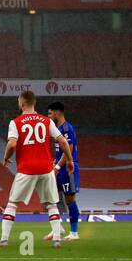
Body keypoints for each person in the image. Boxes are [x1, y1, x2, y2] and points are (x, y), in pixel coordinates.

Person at [0, 90, 73, 249]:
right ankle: (57, 240)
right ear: (34, 103)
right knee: (51, 204)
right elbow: (63, 142)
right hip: (46, 168)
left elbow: (12, 144)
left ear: (22, 104)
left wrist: (5, 157)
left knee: (12, 203)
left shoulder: (15, 122)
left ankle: (3, 240)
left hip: (27, 169)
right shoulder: (46, 121)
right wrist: (69, 160)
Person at [45, 101, 81, 242]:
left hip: (67, 168)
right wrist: (54, 163)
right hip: (59, 166)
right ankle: (57, 227)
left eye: (50, 113)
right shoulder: (57, 129)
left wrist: (58, 167)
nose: (49, 116)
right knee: (51, 197)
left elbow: (68, 151)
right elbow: (60, 151)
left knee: (70, 199)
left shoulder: (67, 128)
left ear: (58, 112)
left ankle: (74, 232)